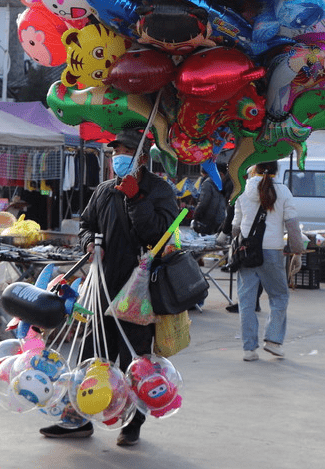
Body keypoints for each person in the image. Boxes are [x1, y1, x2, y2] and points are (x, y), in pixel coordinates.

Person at [40, 128, 178, 447]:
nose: (118, 158)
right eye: (115, 152)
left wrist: (136, 199)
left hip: (138, 294)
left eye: (125, 151)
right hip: (101, 288)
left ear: (143, 155)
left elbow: (159, 236)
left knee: (136, 361)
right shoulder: (103, 190)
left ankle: (133, 423)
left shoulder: (159, 191)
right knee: (92, 358)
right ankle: (80, 419)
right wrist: (90, 244)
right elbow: (87, 225)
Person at [232, 161, 304, 360]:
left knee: (246, 301)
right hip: (272, 251)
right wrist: (297, 252)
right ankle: (272, 341)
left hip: (246, 252)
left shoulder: (243, 190)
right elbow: (292, 227)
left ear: (254, 168)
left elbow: (236, 226)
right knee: (279, 296)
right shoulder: (284, 192)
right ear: (276, 170)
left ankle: (249, 349)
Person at [192, 169, 226, 236]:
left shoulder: (207, 183)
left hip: (207, 220)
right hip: (220, 219)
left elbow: (203, 202)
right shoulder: (223, 184)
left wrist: (196, 216)